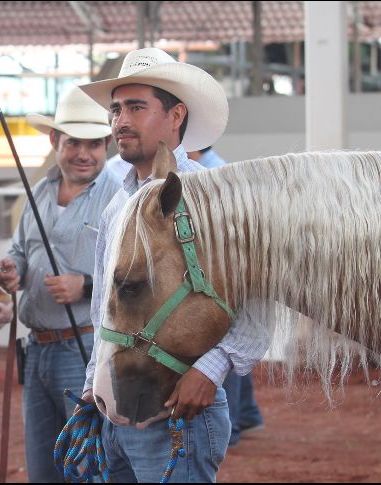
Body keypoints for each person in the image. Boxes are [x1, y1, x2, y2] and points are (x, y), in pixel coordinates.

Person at [78, 47, 270, 482]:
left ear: (176, 114)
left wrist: (211, 370)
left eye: (136, 107)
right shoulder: (117, 206)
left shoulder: (212, 198)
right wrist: (93, 385)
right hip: (116, 411)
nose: (120, 121)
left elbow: (258, 301)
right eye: (116, 110)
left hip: (177, 412)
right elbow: (105, 311)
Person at [0, 85, 121, 483]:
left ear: (106, 146)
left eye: (94, 144)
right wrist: (12, 270)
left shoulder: (119, 197)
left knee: (87, 465)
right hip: (37, 350)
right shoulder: (39, 193)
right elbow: (20, 250)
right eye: (73, 143)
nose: (84, 153)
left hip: (85, 348)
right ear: (55, 141)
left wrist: (85, 286)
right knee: (42, 465)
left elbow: (135, 275)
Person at [186, 147, 267, 448]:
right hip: (225, 277)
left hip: (220, 278)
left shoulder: (211, 177)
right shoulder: (218, 171)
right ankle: (246, 414)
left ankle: (233, 424)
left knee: (224, 346)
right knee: (233, 349)